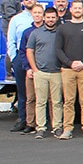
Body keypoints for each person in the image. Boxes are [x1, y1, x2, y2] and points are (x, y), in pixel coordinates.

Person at [55, 0, 83, 139]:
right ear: (71, 9)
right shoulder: (62, 28)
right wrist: (70, 63)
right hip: (67, 69)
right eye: (75, 8)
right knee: (68, 100)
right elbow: (58, 49)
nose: (78, 10)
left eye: (80, 8)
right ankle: (67, 128)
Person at [27, 7, 62, 139]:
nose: (50, 19)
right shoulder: (36, 33)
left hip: (57, 72)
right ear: (43, 18)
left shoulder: (61, 32)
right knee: (40, 102)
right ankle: (40, 128)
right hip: (40, 72)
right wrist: (34, 69)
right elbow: (29, 51)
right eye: (48, 17)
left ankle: (57, 127)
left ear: (56, 18)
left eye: (53, 17)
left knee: (57, 101)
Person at [7, 0, 38, 132]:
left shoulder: (40, 17)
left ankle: (37, 121)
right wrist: (14, 58)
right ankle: (22, 119)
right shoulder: (16, 19)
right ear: (23, 2)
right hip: (21, 57)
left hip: (38, 58)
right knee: (22, 91)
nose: (29, 0)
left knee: (39, 91)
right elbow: (11, 40)